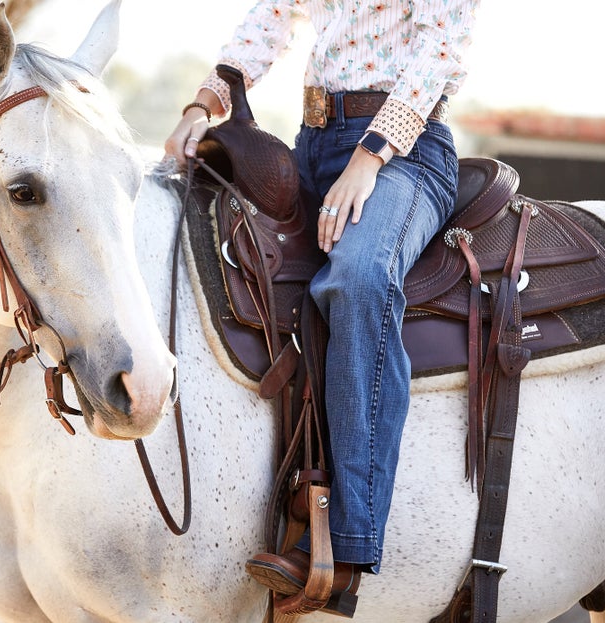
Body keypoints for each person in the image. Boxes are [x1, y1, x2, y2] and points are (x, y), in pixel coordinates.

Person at [165, 0, 479, 613]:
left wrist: (371, 155)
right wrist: (202, 106)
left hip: (406, 154)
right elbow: (269, 20)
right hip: (309, 142)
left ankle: (347, 540)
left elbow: (440, 51)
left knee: (359, 278)